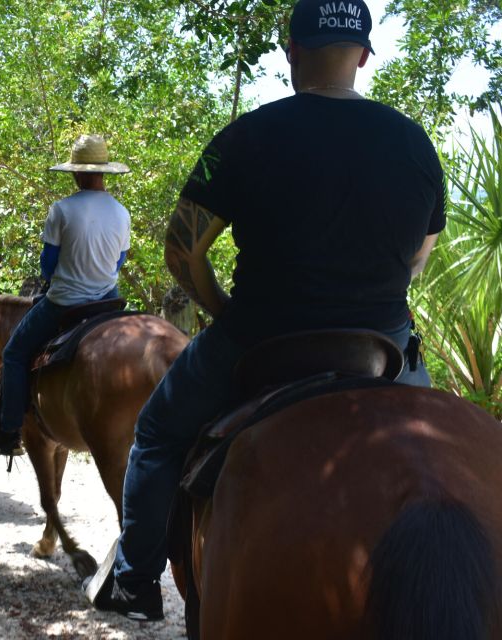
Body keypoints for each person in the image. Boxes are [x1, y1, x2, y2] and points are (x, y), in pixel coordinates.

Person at [86, 0, 446, 622]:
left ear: (291, 53)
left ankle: (134, 582)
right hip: (381, 341)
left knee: (155, 436)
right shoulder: (415, 143)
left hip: (260, 337)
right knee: (441, 454)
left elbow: (181, 250)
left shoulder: (247, 136)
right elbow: (419, 259)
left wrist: (221, 307)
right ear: (363, 56)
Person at [0, 134, 132, 457]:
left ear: (76, 172)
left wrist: (63, 277)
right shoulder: (121, 212)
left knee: (15, 353)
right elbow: (119, 260)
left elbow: (48, 266)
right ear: (103, 172)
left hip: (66, 302)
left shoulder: (62, 209)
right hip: (109, 300)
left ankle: (8, 430)